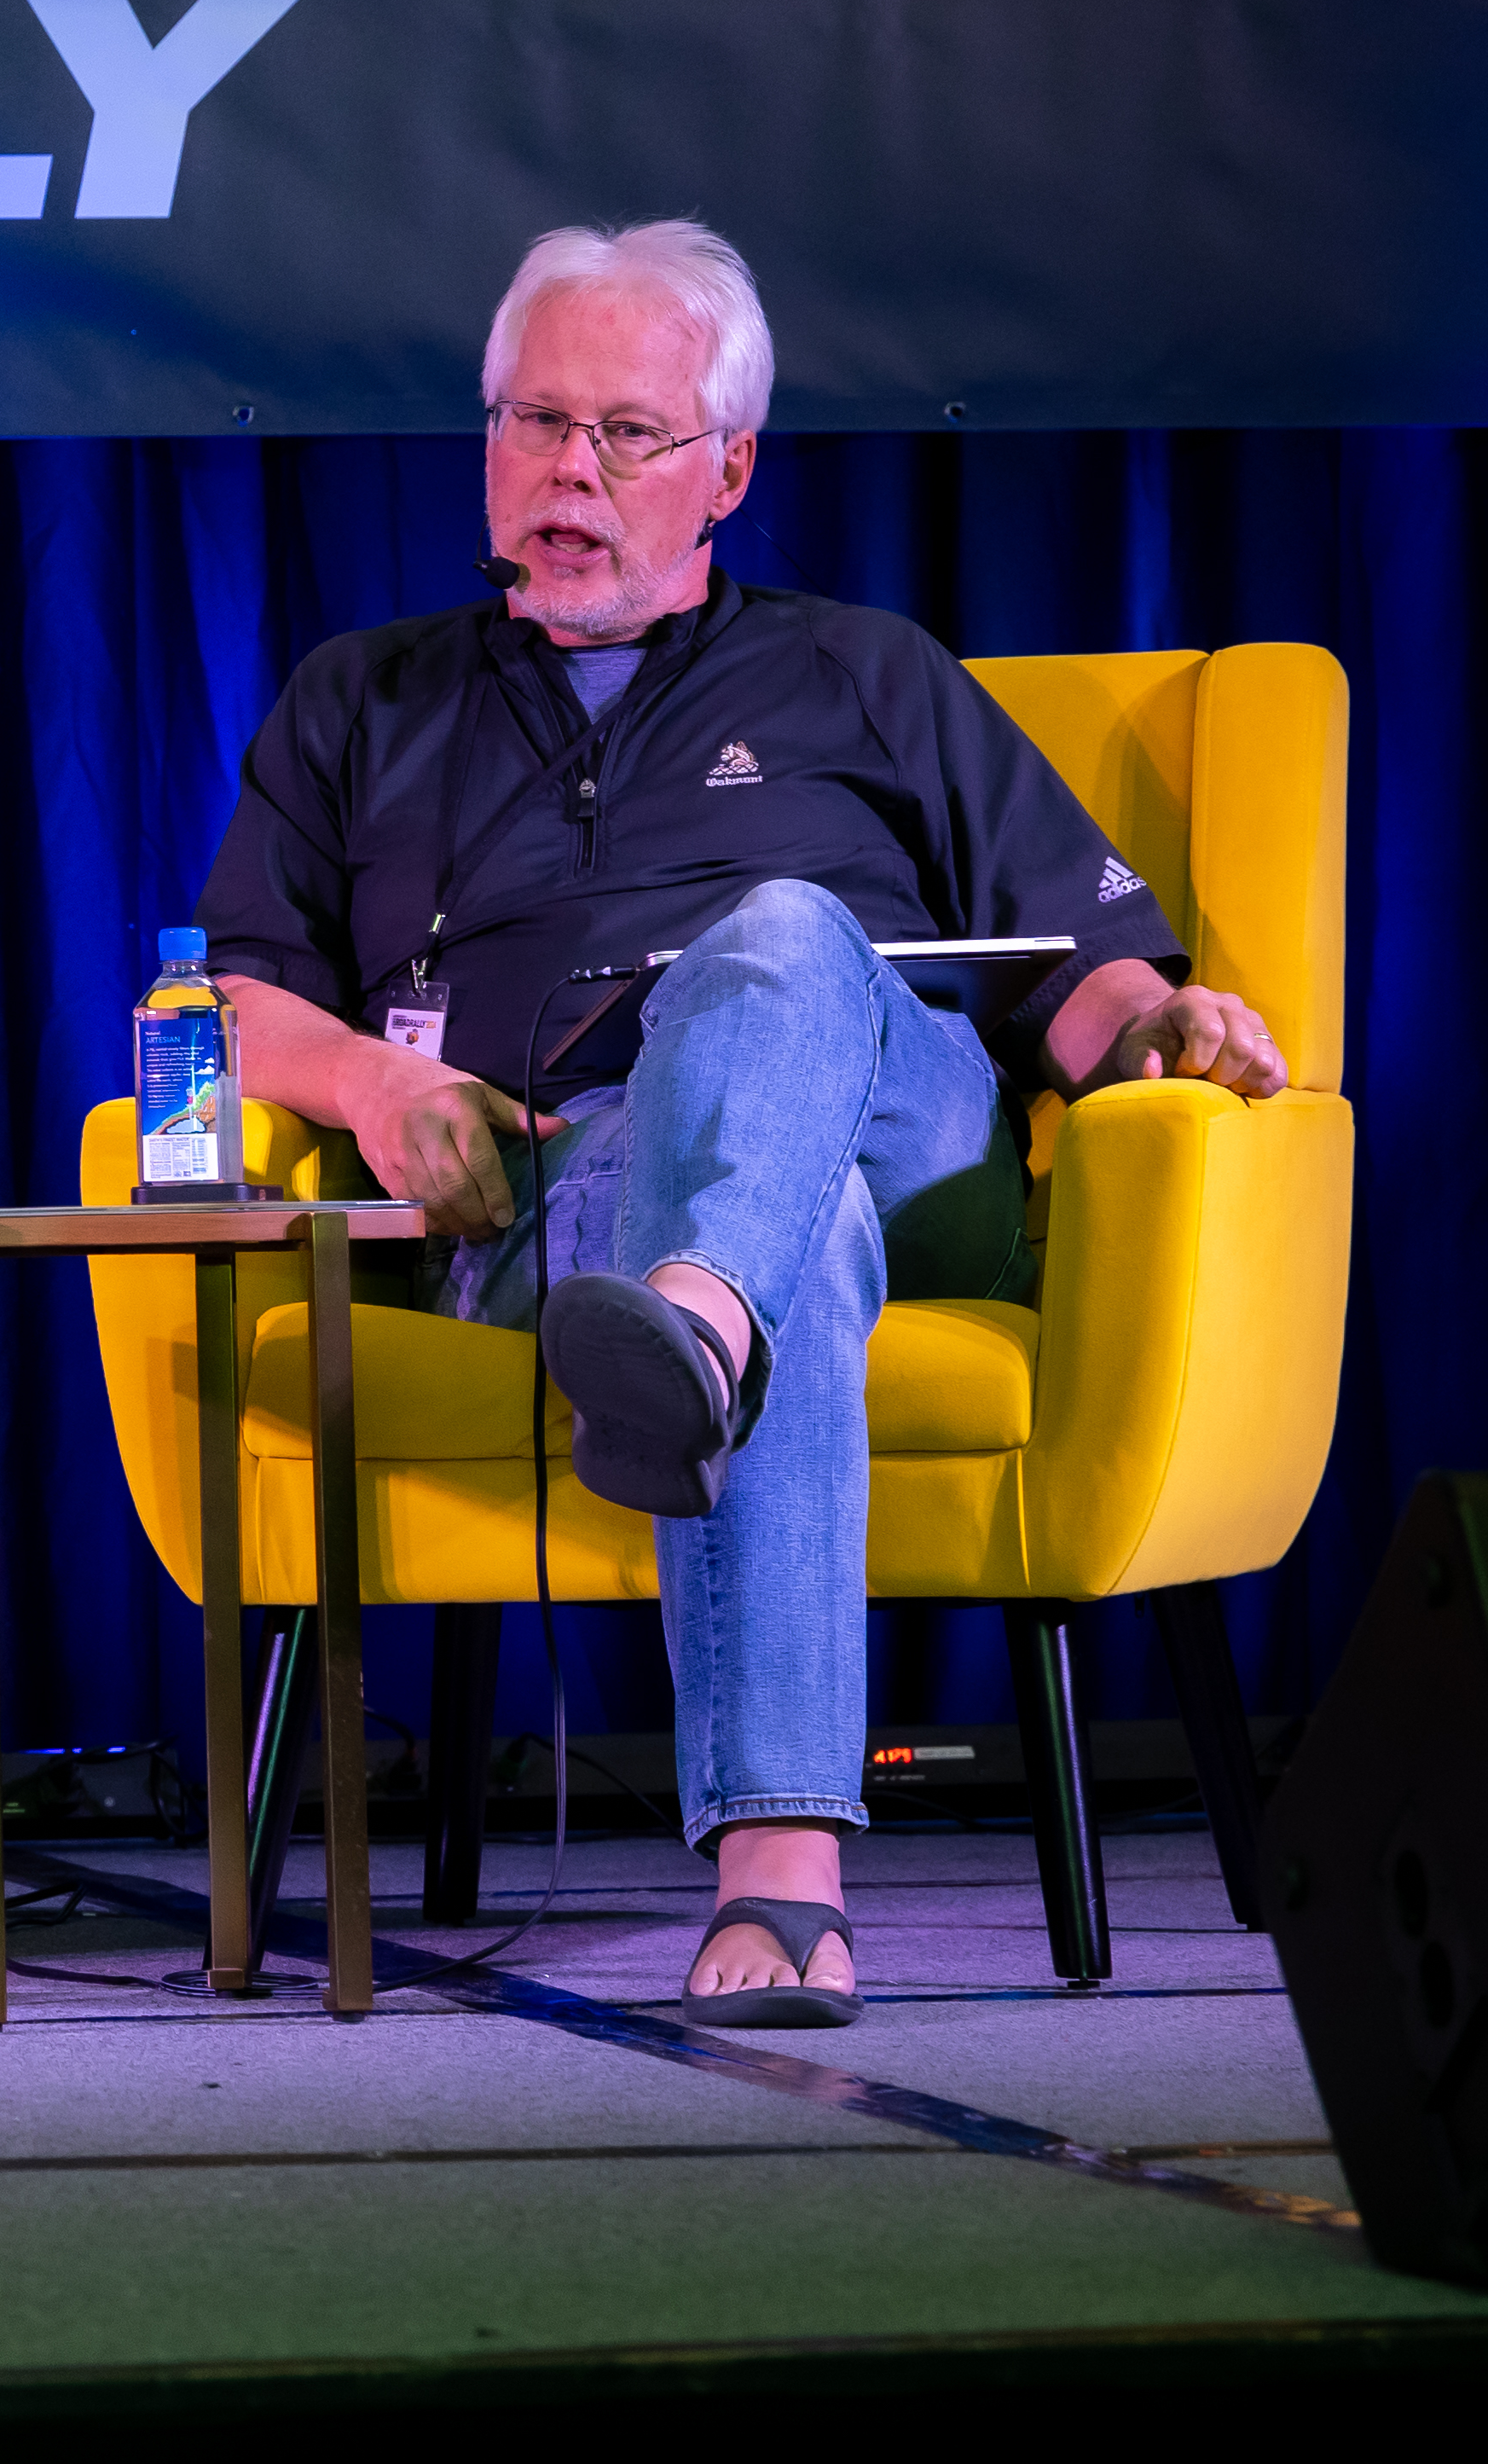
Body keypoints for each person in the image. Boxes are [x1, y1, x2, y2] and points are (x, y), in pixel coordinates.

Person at [194, 219, 1283, 2026]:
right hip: (559, 1187)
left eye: (627, 433)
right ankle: (781, 1870)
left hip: (896, 1123)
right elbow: (226, 1006)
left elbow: (1079, 968)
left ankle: (692, 1312)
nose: (569, 473)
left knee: (779, 931)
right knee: (797, 1244)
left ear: (728, 469)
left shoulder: (867, 670)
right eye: (536, 422)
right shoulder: (361, 699)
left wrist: (1161, 1023)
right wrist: (383, 1085)